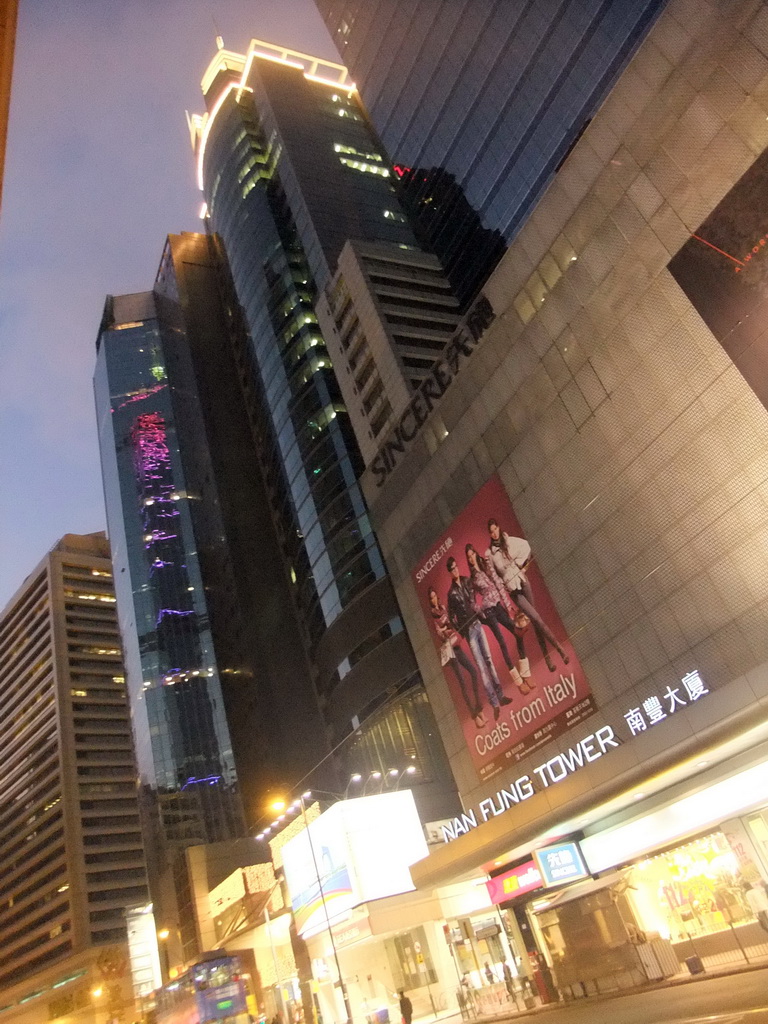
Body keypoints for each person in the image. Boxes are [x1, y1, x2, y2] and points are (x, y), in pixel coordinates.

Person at [485, 517, 569, 673]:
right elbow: (496, 579)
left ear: (498, 528)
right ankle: (559, 649)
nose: (494, 533)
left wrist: (521, 567)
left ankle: (549, 658)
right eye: (491, 531)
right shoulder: (490, 554)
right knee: (536, 618)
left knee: (537, 621)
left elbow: (526, 547)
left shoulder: (508, 540)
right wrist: (506, 597)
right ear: (489, 534)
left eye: (495, 529)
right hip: (513, 591)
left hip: (523, 581)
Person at [446, 556, 512, 720]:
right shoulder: (451, 593)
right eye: (452, 569)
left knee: (488, 659)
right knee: (481, 667)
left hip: (477, 623)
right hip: (469, 631)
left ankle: (500, 695)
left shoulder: (467, 581)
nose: (455, 570)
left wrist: (480, 610)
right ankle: (494, 702)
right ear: (449, 572)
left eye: (456, 567)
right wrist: (460, 632)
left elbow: (479, 594)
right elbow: (451, 616)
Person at [465, 542, 531, 694]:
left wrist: (508, 605)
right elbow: (472, 602)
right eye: (468, 557)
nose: (471, 558)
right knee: (502, 642)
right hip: (489, 611)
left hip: (499, 606)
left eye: (472, 554)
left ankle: (525, 672)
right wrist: (481, 610)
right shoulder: (472, 579)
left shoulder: (486, 566)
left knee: (518, 632)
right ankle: (518, 681)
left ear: (475, 553)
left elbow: (498, 585)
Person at [428, 586, 485, 727]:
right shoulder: (433, 616)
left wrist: (447, 628)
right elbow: (440, 634)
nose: (434, 599)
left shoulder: (442, 608)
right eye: (431, 598)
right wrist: (445, 628)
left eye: (435, 596)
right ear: (430, 601)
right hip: (450, 650)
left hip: (456, 644)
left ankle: (478, 706)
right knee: (462, 683)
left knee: (473, 671)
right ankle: (474, 715)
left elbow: (450, 624)